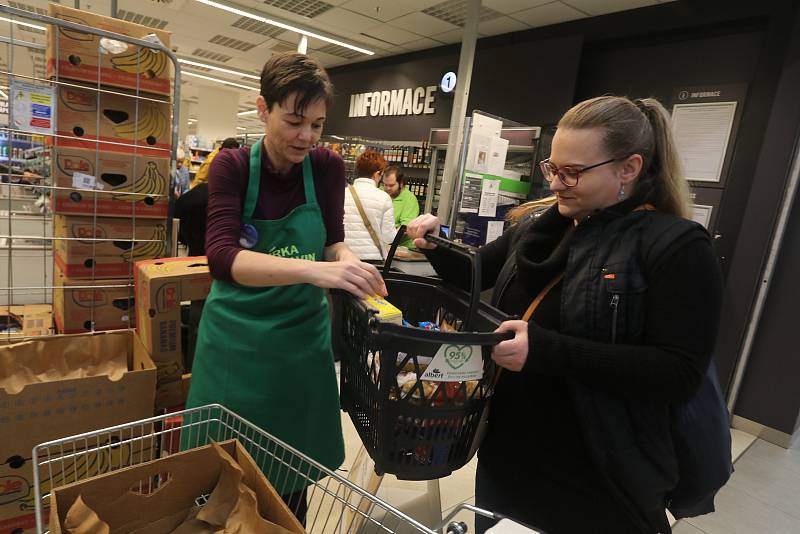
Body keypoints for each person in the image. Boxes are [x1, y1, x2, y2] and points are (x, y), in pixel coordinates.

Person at [408, 96, 723, 534]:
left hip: (599, 474)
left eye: (572, 172)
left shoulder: (677, 247)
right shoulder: (539, 228)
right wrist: (435, 243)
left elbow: (678, 371)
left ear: (628, 169)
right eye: (552, 169)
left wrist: (547, 350)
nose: (556, 183)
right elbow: (476, 270)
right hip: (508, 456)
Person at [185, 53, 386, 522]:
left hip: (300, 349)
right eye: (295, 121)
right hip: (237, 346)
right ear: (263, 109)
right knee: (223, 482)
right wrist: (316, 271)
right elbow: (223, 258)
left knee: (289, 490)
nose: (306, 137)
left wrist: (347, 262)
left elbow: (333, 242)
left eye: (316, 124)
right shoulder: (232, 166)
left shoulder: (327, 168)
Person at [174, 139, 240, 256]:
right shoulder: (214, 161)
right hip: (203, 205)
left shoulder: (217, 159)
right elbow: (199, 178)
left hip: (197, 202)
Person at [343, 150, 396, 260]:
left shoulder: (342, 193)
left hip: (344, 257)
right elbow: (388, 237)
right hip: (372, 259)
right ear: (377, 174)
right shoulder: (384, 198)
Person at [382, 166, 419, 249]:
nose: (387, 188)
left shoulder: (410, 199)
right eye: (385, 184)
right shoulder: (381, 192)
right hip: (382, 244)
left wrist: (389, 240)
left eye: (391, 185)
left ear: (401, 184)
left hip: (401, 247)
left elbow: (405, 228)